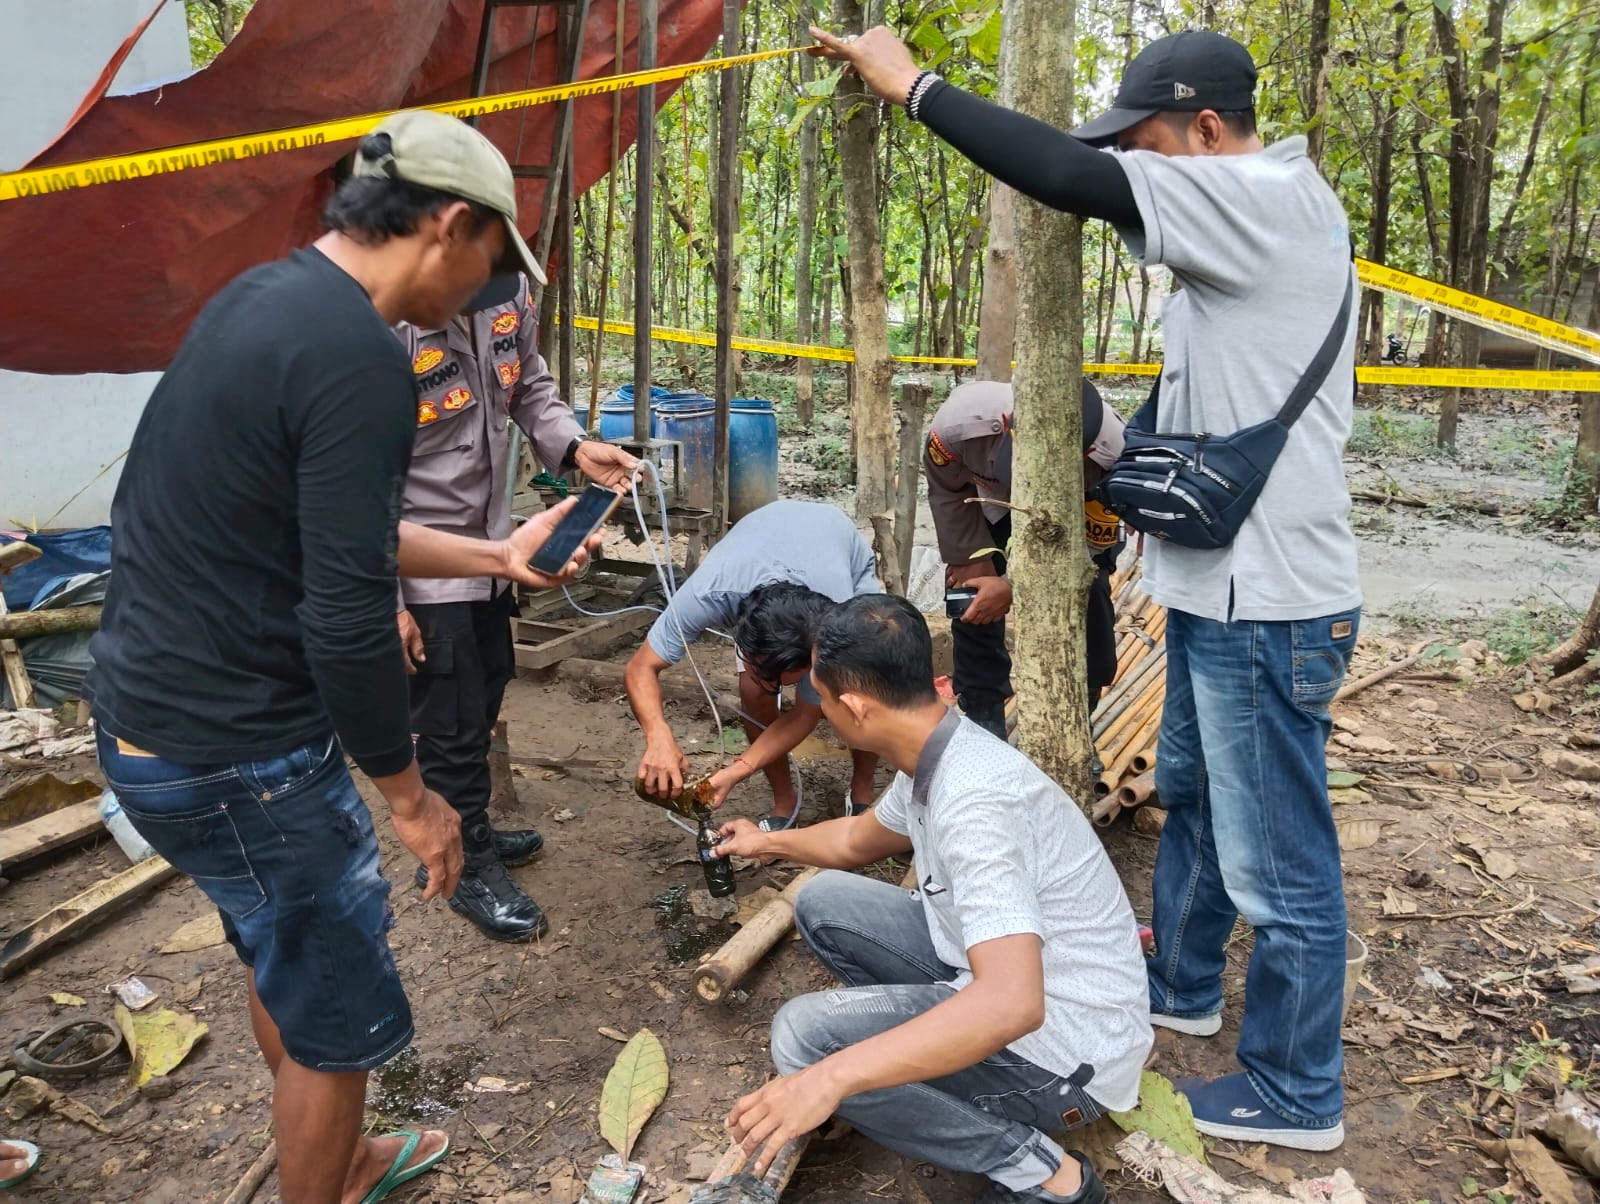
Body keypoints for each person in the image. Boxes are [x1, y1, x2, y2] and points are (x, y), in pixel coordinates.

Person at [813, 26, 1362, 1150]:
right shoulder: (1250, 219)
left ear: (1204, 129)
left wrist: (913, 86)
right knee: (1191, 795)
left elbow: (1068, 176)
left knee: (1280, 861)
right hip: (1220, 591)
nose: (1134, 168)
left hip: (1268, 601)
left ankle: (1296, 1090)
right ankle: (1184, 985)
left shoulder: (1260, 195)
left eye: (1146, 144)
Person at [88, 111, 602, 1204]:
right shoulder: (361, 357)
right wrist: (411, 797)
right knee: (339, 1016)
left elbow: (332, 528)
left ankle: (346, 1155)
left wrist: (494, 556)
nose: (484, 289)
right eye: (486, 259)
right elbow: (347, 610)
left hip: (146, 726)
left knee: (282, 949)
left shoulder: (264, 299)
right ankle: (326, 1179)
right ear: (448, 225)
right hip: (243, 751)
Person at [713, 594, 1152, 1203]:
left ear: (856, 707)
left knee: (805, 1041)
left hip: (1065, 1056)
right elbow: (856, 840)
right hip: (1008, 979)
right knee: (826, 899)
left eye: (819, 696)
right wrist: (765, 843)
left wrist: (831, 1078)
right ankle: (919, 1055)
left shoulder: (975, 804)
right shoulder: (935, 748)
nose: (816, 710)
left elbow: (1013, 1005)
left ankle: (1042, 1173)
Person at [393, 274, 637, 941]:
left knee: (485, 692)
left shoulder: (510, 293)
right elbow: (353, 482)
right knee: (447, 718)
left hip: (496, 551)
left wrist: (575, 446)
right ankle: (464, 864)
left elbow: (528, 384)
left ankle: (467, 825)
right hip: (424, 566)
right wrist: (388, 600)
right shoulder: (387, 321)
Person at [625, 499, 880, 830]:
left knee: (860, 685)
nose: (776, 687)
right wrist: (658, 735)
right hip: (759, 544)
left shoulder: (837, 614)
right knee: (753, 692)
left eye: (786, 679)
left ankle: (862, 787)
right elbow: (640, 667)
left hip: (834, 539)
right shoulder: (709, 593)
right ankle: (784, 800)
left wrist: (738, 770)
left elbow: (805, 714)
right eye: (767, 673)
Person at [926, 378, 1126, 738]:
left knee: (1090, 591)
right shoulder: (960, 427)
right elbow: (948, 491)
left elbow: (1090, 550)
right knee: (969, 593)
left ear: (1086, 452)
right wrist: (972, 559)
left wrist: (1012, 585)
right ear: (1006, 424)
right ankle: (983, 717)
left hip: (1074, 517)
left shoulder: (1112, 457)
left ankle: (1078, 717)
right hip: (992, 505)